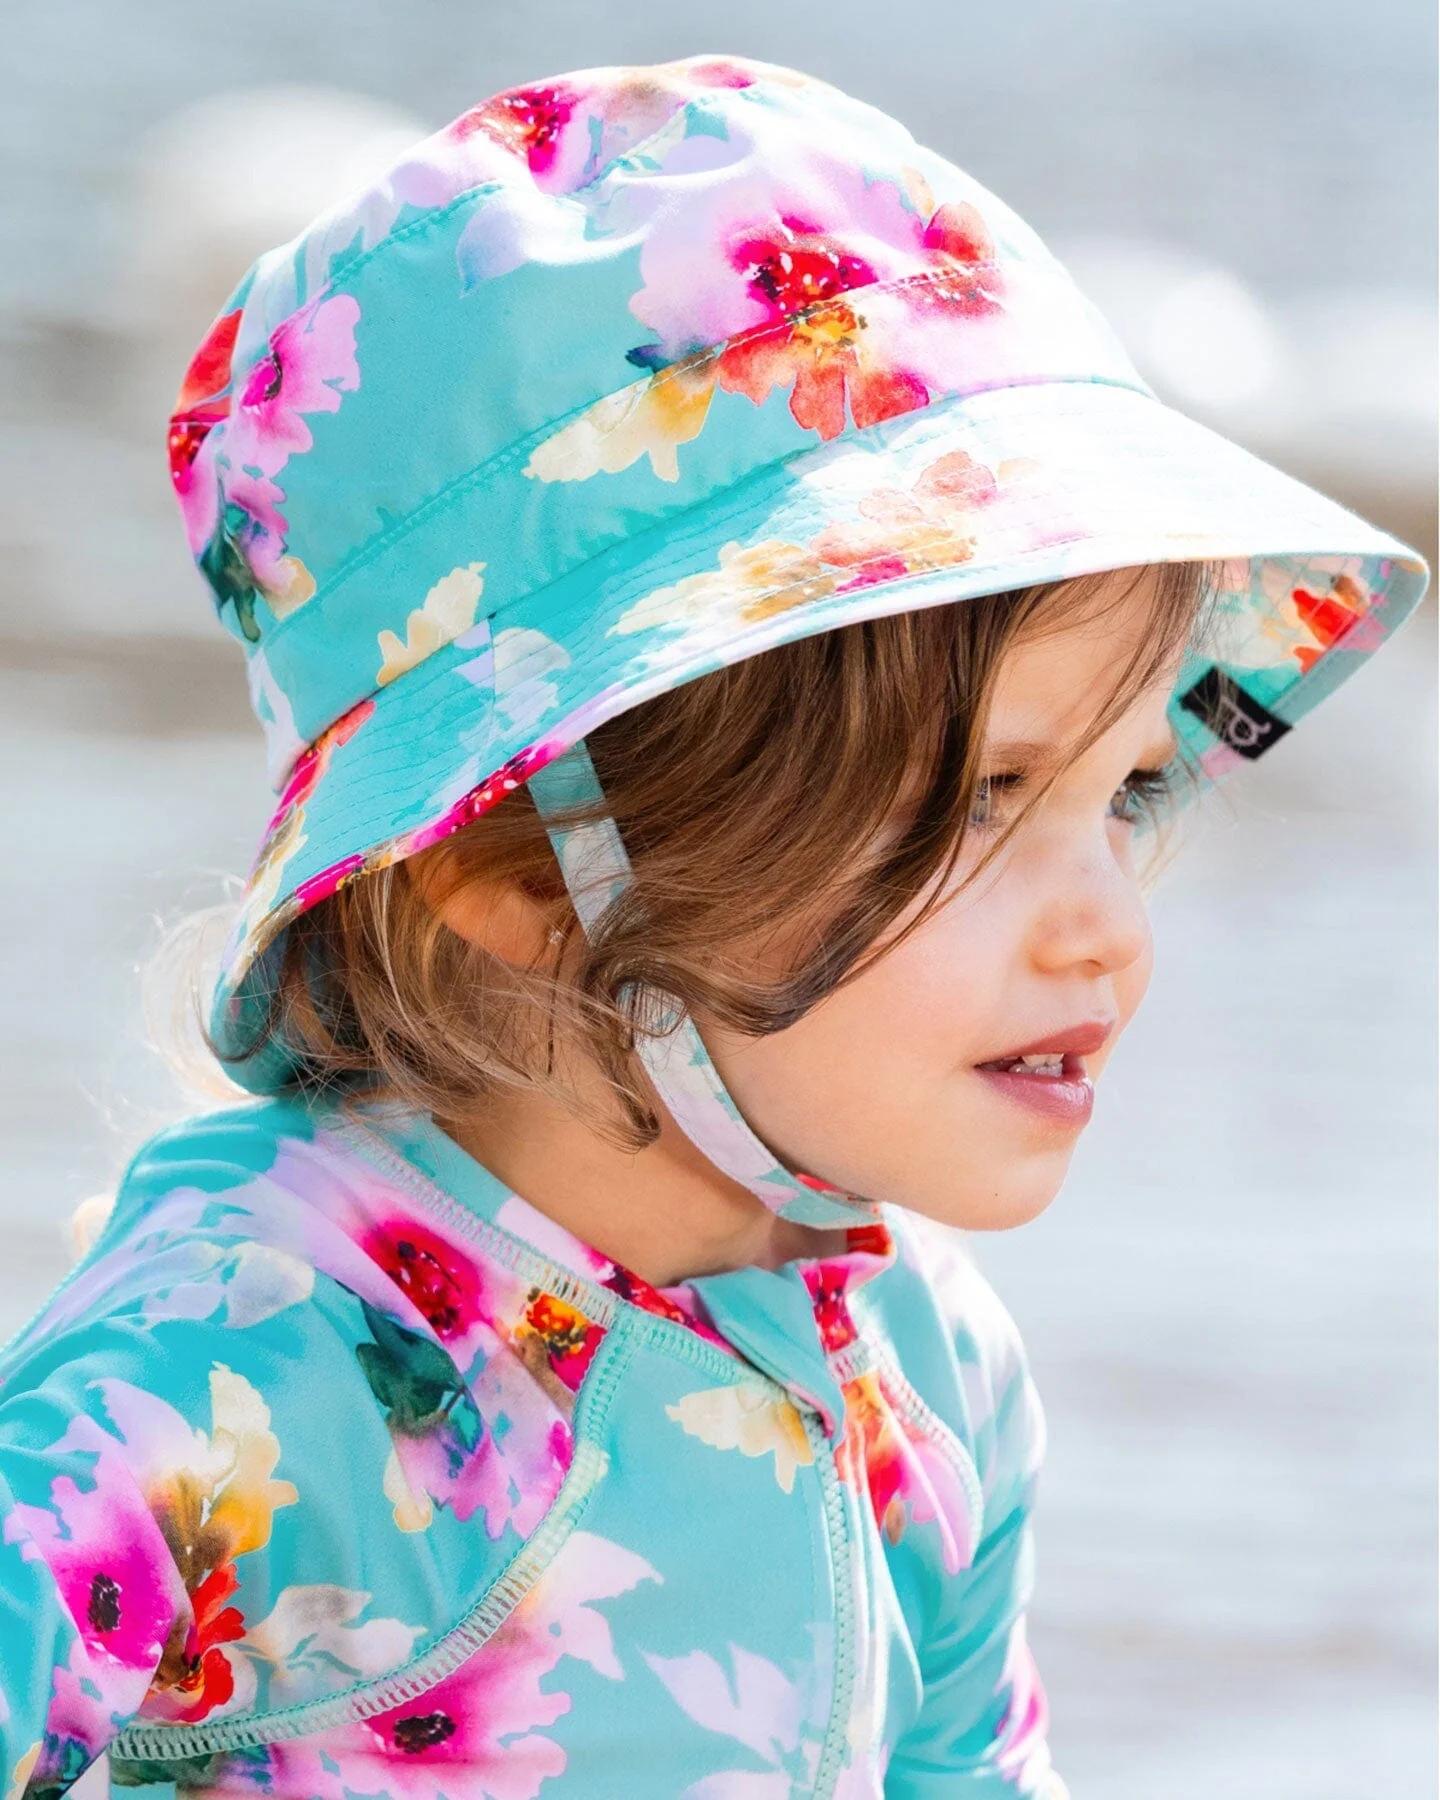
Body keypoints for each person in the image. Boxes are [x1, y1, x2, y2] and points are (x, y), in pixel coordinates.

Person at [0, 56, 1425, 1800]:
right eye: (982, 801)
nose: (1107, 930)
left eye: (1123, 794)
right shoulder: (250, 1359)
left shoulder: (924, 1373)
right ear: (526, 876)